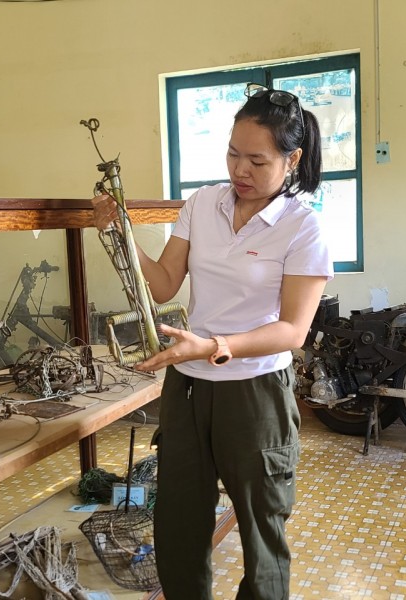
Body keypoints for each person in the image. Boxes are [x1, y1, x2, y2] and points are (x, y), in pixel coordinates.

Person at [91, 82, 333, 599]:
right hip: (187, 389)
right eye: (232, 154)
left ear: (292, 160)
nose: (240, 171)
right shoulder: (202, 204)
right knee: (178, 521)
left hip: (255, 393)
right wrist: (123, 231)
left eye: (257, 160)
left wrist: (212, 345)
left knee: (261, 528)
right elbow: (162, 284)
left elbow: (292, 332)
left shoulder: (302, 228)